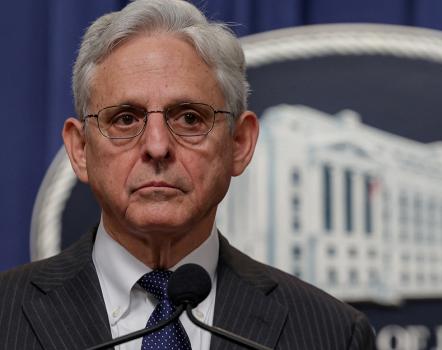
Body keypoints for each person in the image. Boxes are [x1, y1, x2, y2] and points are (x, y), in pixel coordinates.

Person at [0, 0, 375, 349]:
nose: (158, 146)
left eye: (190, 118)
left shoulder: (332, 334)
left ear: (239, 144)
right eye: (126, 119)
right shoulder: (6, 314)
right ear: (80, 149)